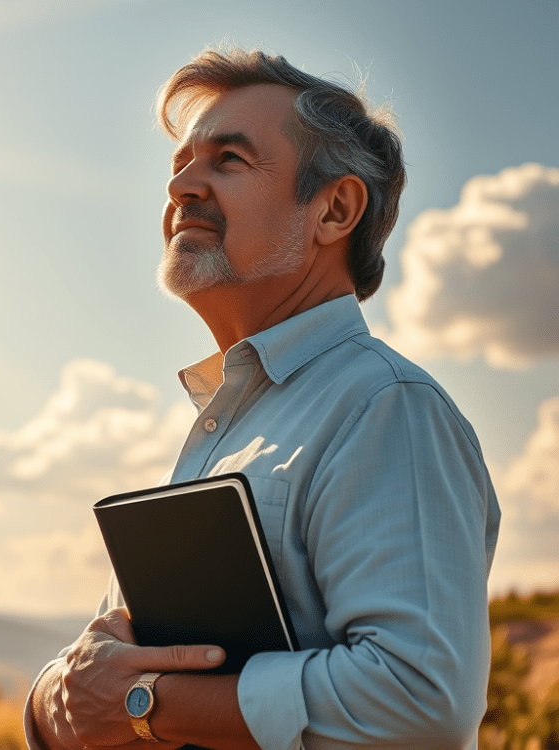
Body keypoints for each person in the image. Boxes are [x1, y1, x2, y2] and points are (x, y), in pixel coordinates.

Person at [24, 46, 501, 750]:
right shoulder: (230, 429)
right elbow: (97, 675)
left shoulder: (385, 408)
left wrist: (142, 704)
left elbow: (418, 701)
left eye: (228, 161)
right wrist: (52, 700)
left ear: (334, 209)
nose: (182, 186)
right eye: (179, 166)